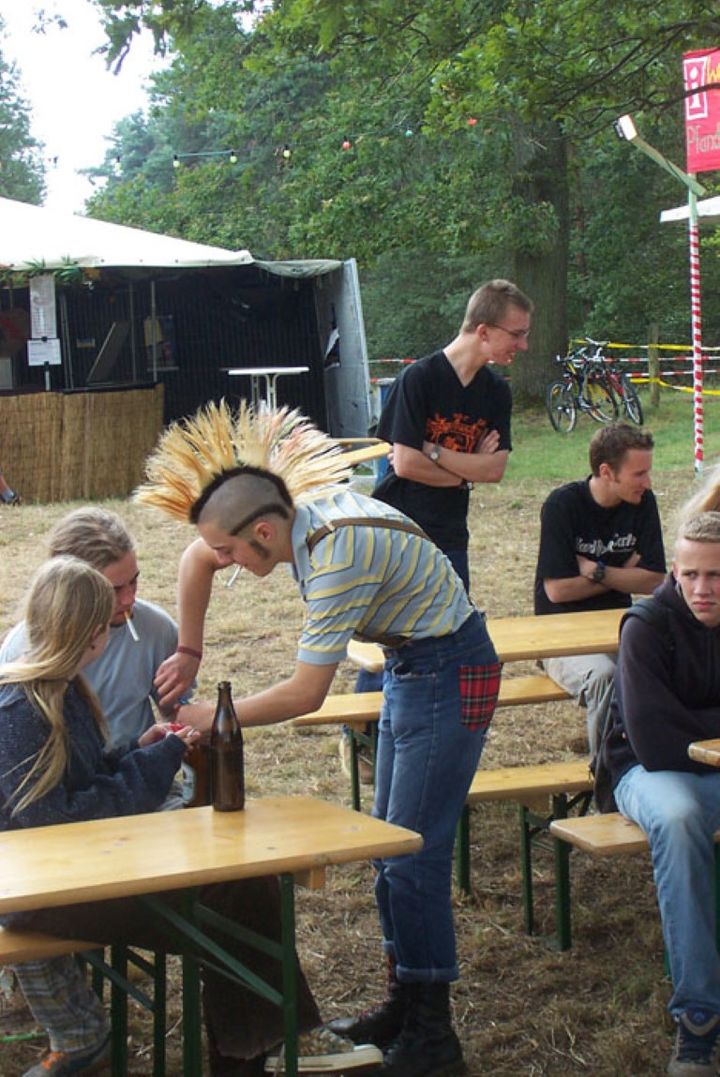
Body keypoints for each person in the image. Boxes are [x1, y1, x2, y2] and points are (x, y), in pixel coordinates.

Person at [136, 400, 503, 1077]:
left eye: (231, 552)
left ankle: (434, 1036)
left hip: (453, 668)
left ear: (264, 531)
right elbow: (195, 555)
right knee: (390, 851)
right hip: (414, 662)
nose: (224, 562)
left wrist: (208, 715)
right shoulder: (290, 516)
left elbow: (306, 693)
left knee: (414, 856)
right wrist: (189, 648)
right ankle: (404, 1003)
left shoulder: (336, 557)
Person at [0, 533, 380, 1075]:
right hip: (48, 895)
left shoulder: (62, 688)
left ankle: (258, 1050)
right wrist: (156, 763)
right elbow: (59, 823)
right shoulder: (21, 708)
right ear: (87, 633)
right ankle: (270, 1045)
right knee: (232, 904)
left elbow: (88, 779)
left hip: (85, 871)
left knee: (243, 879)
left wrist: (140, 748)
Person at [343, 279, 532, 780]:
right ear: (484, 331)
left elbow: (495, 470)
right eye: (516, 334)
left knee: (448, 636)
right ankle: (362, 737)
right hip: (399, 531)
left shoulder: (495, 392)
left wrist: (434, 452)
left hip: (451, 535)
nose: (523, 345)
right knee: (396, 639)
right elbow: (404, 465)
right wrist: (464, 468)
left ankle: (427, 737)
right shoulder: (419, 379)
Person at [603, 511, 720, 1076]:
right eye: (690, 574)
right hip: (645, 773)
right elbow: (653, 741)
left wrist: (692, 723)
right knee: (678, 818)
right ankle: (698, 1019)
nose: (702, 588)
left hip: (705, 766)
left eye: (716, 575)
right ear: (673, 570)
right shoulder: (646, 625)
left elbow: (674, 725)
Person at [0, 507, 214, 749]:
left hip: (136, 764)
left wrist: (191, 718)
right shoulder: (21, 649)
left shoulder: (156, 628)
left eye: (134, 581)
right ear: (71, 588)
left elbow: (175, 711)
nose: (129, 599)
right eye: (114, 589)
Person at [533, 422, 666, 756]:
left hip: (618, 628)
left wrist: (598, 571)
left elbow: (654, 581)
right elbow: (558, 592)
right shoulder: (563, 505)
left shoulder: (643, 502)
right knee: (605, 677)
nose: (648, 483)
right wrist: (624, 573)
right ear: (607, 472)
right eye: (639, 474)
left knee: (664, 666)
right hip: (559, 638)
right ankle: (608, 776)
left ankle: (656, 765)